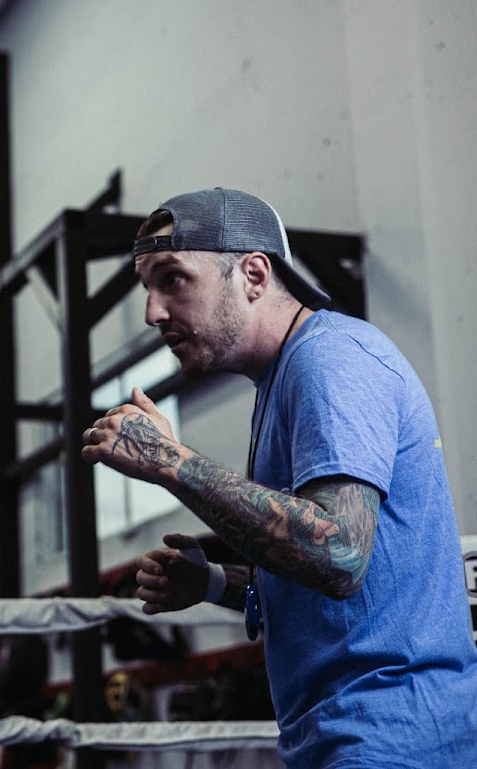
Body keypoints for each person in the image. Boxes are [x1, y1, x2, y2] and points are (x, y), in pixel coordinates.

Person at [81, 187, 477, 767]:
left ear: (254, 274)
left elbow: (338, 553)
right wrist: (213, 584)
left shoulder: (332, 359)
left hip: (392, 734)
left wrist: (168, 460)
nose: (152, 311)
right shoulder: (280, 382)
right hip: (345, 735)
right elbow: (328, 585)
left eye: (173, 279)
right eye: (147, 287)